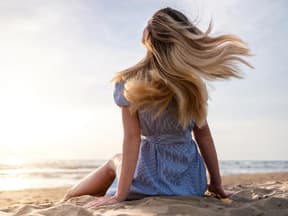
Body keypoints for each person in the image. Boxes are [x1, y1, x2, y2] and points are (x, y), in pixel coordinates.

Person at [62, 7, 253, 208]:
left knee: (112, 163)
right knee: (117, 161)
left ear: (148, 37)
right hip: (190, 183)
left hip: (149, 179)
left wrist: (120, 195)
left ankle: (73, 194)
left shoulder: (129, 82)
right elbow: (203, 135)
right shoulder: (192, 85)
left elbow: (132, 139)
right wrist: (216, 184)